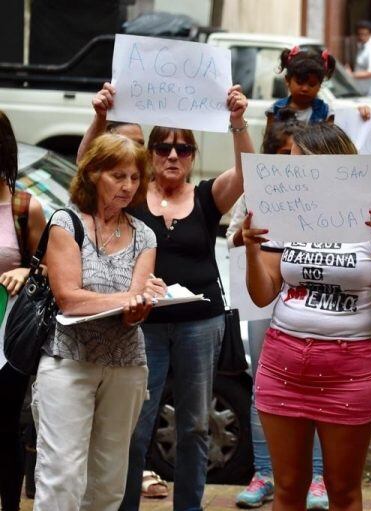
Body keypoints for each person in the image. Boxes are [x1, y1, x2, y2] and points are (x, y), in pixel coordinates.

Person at [242, 123, 371, 510]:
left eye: (298, 161)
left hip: (348, 370)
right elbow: (263, 293)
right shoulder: (286, 202)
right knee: (287, 486)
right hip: (283, 365)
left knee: (343, 489)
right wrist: (252, 252)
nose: (291, 169)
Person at [119, 86, 254, 511]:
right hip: (145, 323)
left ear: (194, 155)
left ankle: (189, 507)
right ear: (151, 154)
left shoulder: (207, 196)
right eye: (163, 147)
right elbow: (88, 172)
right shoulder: (134, 196)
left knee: (195, 425)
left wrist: (237, 122)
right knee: (137, 425)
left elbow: (248, 171)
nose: (173, 155)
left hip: (201, 323)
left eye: (183, 148)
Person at [33, 133, 164, 511]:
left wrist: (144, 305)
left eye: (135, 178)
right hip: (68, 360)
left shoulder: (145, 235)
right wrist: (130, 297)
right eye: (117, 176)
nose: (128, 186)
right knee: (62, 477)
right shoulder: (66, 222)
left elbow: (134, 311)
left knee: (108, 483)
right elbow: (69, 299)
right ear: (93, 174)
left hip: (125, 364)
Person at [228, 119, 330, 510]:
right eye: (286, 155)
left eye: (299, 156)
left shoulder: (325, 196)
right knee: (263, 384)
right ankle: (264, 473)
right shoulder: (256, 192)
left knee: (316, 384)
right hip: (264, 297)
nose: (293, 163)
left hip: (310, 299)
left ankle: (317, 478)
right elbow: (234, 236)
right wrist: (250, 237)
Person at [0, 110, 45, 511]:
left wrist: (23, 269)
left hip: (8, 338)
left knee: (5, 427)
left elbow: (47, 269)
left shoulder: (23, 207)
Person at [268, 47, 337, 127]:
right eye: (299, 83)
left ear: (320, 85)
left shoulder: (326, 112)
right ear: (287, 80)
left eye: (312, 84)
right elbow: (269, 138)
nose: (305, 89)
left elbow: (329, 139)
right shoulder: (276, 109)